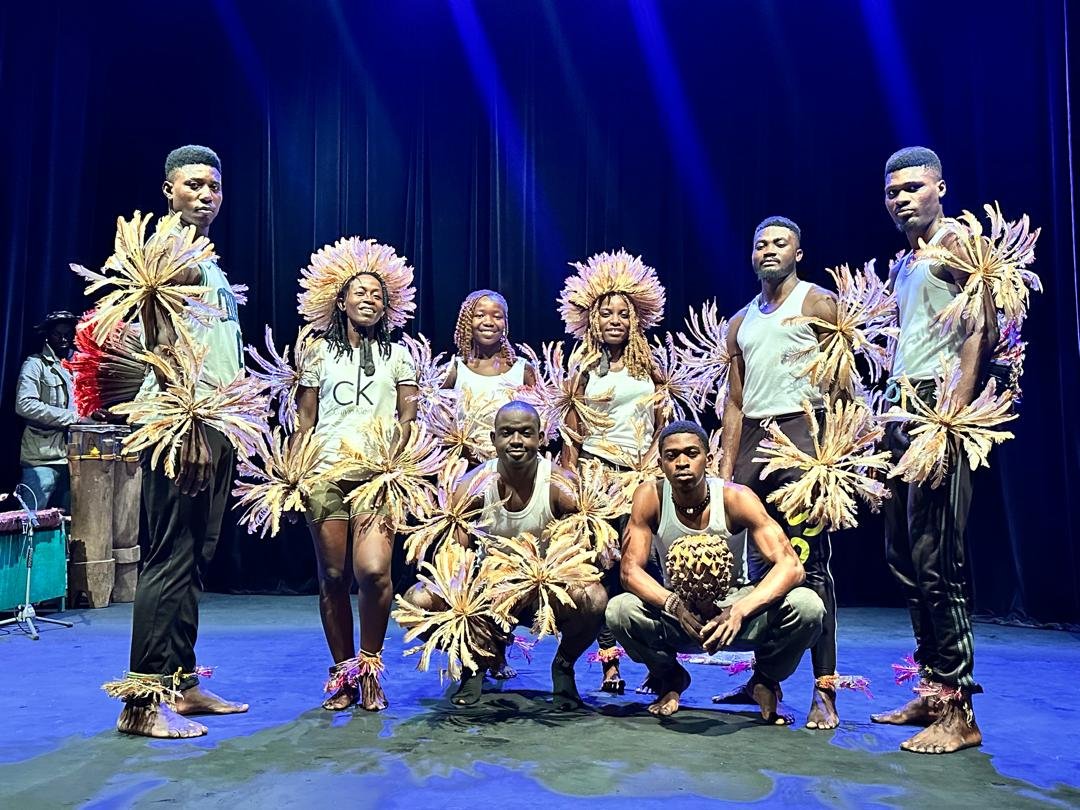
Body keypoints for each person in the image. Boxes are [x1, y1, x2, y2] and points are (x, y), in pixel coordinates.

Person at [117, 145, 249, 738]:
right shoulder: (169, 251)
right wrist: (187, 423)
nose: (206, 194)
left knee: (193, 557)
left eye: (214, 186)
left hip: (213, 421)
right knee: (169, 557)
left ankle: (181, 683)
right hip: (181, 424)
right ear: (168, 190)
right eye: (194, 184)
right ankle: (141, 702)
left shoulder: (206, 259)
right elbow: (161, 344)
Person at [871, 146, 992, 754]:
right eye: (893, 191)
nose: (902, 199)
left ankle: (960, 710)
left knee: (938, 561)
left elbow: (981, 329)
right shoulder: (907, 263)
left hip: (936, 413)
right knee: (904, 559)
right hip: (899, 412)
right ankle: (932, 691)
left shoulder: (957, 244)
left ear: (940, 188)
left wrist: (951, 415)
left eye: (913, 188)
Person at [716, 216, 846, 729]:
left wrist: (834, 451)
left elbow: (840, 383)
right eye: (760, 244)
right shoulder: (739, 321)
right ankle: (763, 678)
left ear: (798, 253)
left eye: (780, 243)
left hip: (802, 435)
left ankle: (825, 689)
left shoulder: (817, 303)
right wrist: (726, 469)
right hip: (752, 440)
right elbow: (735, 401)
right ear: (751, 255)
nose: (769, 250)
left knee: (810, 569)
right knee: (758, 568)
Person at [607, 420, 824, 721]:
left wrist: (740, 610)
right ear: (660, 464)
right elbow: (629, 571)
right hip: (680, 612)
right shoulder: (650, 497)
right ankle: (670, 678)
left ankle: (764, 680)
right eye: (671, 455)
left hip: (734, 607)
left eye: (691, 453)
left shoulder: (736, 498)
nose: (682, 462)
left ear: (708, 459)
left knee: (808, 606)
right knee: (619, 610)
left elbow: (791, 566)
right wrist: (673, 605)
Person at [404, 401, 608, 709]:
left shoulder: (560, 485)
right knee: (416, 602)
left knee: (595, 597)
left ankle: (564, 665)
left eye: (525, 433)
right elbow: (454, 559)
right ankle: (477, 660)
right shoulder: (472, 485)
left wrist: (540, 579)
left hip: (545, 589)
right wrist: (469, 600)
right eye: (507, 433)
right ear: (493, 438)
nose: (516, 441)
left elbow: (581, 559)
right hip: (488, 592)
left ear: (541, 438)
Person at [295, 236, 418, 712]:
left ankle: (370, 666)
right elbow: (305, 421)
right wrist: (293, 476)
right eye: (360, 292)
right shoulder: (317, 353)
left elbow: (408, 416)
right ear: (340, 300)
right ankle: (345, 674)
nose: (369, 300)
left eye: (377, 295)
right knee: (332, 575)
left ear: (388, 305)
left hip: (377, 475)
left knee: (374, 571)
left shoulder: (399, 355)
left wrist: (395, 460)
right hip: (325, 471)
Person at [559, 250, 667, 693]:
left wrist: (654, 471)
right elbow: (571, 435)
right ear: (592, 319)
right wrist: (571, 484)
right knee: (600, 569)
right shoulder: (582, 369)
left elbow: (662, 426)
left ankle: (658, 662)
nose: (615, 321)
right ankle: (609, 664)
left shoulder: (650, 367)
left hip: (640, 478)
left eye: (623, 314)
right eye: (607, 314)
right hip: (597, 479)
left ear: (635, 318)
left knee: (643, 566)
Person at [442, 289, 536, 463]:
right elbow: (438, 422)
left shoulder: (523, 370)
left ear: (505, 323)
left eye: (497, 316)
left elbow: (539, 422)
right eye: (480, 315)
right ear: (467, 321)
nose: (488, 322)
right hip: (465, 466)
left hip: (513, 465)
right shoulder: (454, 369)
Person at [16, 311, 96, 510]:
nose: (63, 339)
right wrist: (75, 418)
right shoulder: (35, 365)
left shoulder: (81, 365)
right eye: (57, 334)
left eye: (67, 334)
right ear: (47, 335)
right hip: (43, 458)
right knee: (33, 519)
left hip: (77, 456)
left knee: (72, 521)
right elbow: (25, 405)